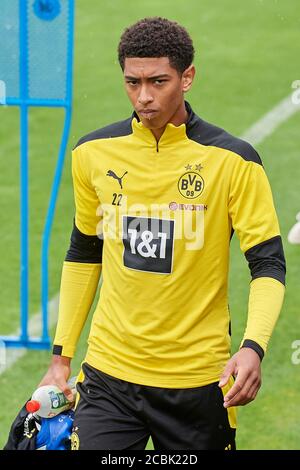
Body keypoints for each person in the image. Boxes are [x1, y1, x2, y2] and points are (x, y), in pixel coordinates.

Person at [38, 17, 286, 450]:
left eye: (158, 81)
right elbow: (84, 252)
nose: (144, 96)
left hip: (199, 382)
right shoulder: (92, 153)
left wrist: (253, 347)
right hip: (109, 376)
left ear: (187, 77)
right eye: (132, 82)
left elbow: (267, 262)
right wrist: (61, 359)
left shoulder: (234, 161)